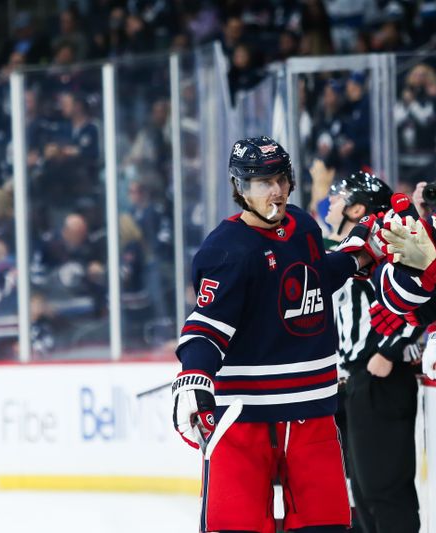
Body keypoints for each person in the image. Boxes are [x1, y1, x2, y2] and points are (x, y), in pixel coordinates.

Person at [171, 136, 378, 533]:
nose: (278, 190)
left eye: (281, 178)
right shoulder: (227, 250)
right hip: (243, 417)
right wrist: (193, 376)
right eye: (264, 181)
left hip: (313, 412)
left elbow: (313, 280)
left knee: (327, 527)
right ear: (240, 187)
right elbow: (206, 325)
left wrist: (356, 257)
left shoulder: (302, 226)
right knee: (236, 527)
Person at [326, 171, 422, 533]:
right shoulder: (344, 250)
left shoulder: (385, 239)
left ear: (358, 208)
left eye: (337, 198)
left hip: (380, 379)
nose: (330, 204)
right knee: (362, 492)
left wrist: (391, 350)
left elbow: (423, 292)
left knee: (383, 491)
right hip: (355, 383)